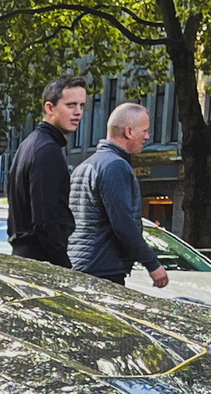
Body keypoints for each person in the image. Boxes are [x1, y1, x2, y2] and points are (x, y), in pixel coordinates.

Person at [68, 101, 168, 289]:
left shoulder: (85, 166)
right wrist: (153, 265)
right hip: (103, 270)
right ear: (129, 132)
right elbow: (123, 224)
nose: (147, 137)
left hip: (82, 263)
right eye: (145, 131)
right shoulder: (116, 166)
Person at [7, 76, 86, 266]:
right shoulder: (47, 151)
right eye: (71, 105)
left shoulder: (31, 145)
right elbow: (45, 220)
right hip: (40, 263)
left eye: (82, 106)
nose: (78, 113)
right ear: (50, 107)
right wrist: (62, 264)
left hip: (26, 258)